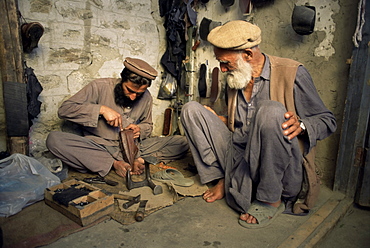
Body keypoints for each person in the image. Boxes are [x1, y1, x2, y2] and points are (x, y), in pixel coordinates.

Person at [180, 20, 336, 228]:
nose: (222, 69)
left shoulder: (292, 73)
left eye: (226, 63)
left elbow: (328, 121)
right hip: (238, 155)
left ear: (248, 55)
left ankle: (270, 198)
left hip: (276, 167)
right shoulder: (236, 77)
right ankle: (222, 179)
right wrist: (219, 120)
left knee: (271, 110)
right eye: (220, 62)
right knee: (191, 110)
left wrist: (303, 125)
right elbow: (240, 125)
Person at [46, 57, 188, 178]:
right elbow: (65, 110)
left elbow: (148, 125)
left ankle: (138, 160)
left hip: (134, 147)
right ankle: (113, 164)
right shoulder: (99, 87)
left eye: (139, 93)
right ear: (122, 80)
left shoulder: (146, 97)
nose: (133, 97)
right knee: (54, 140)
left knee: (183, 142)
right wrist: (101, 109)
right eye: (130, 90)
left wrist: (140, 129)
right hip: (100, 147)